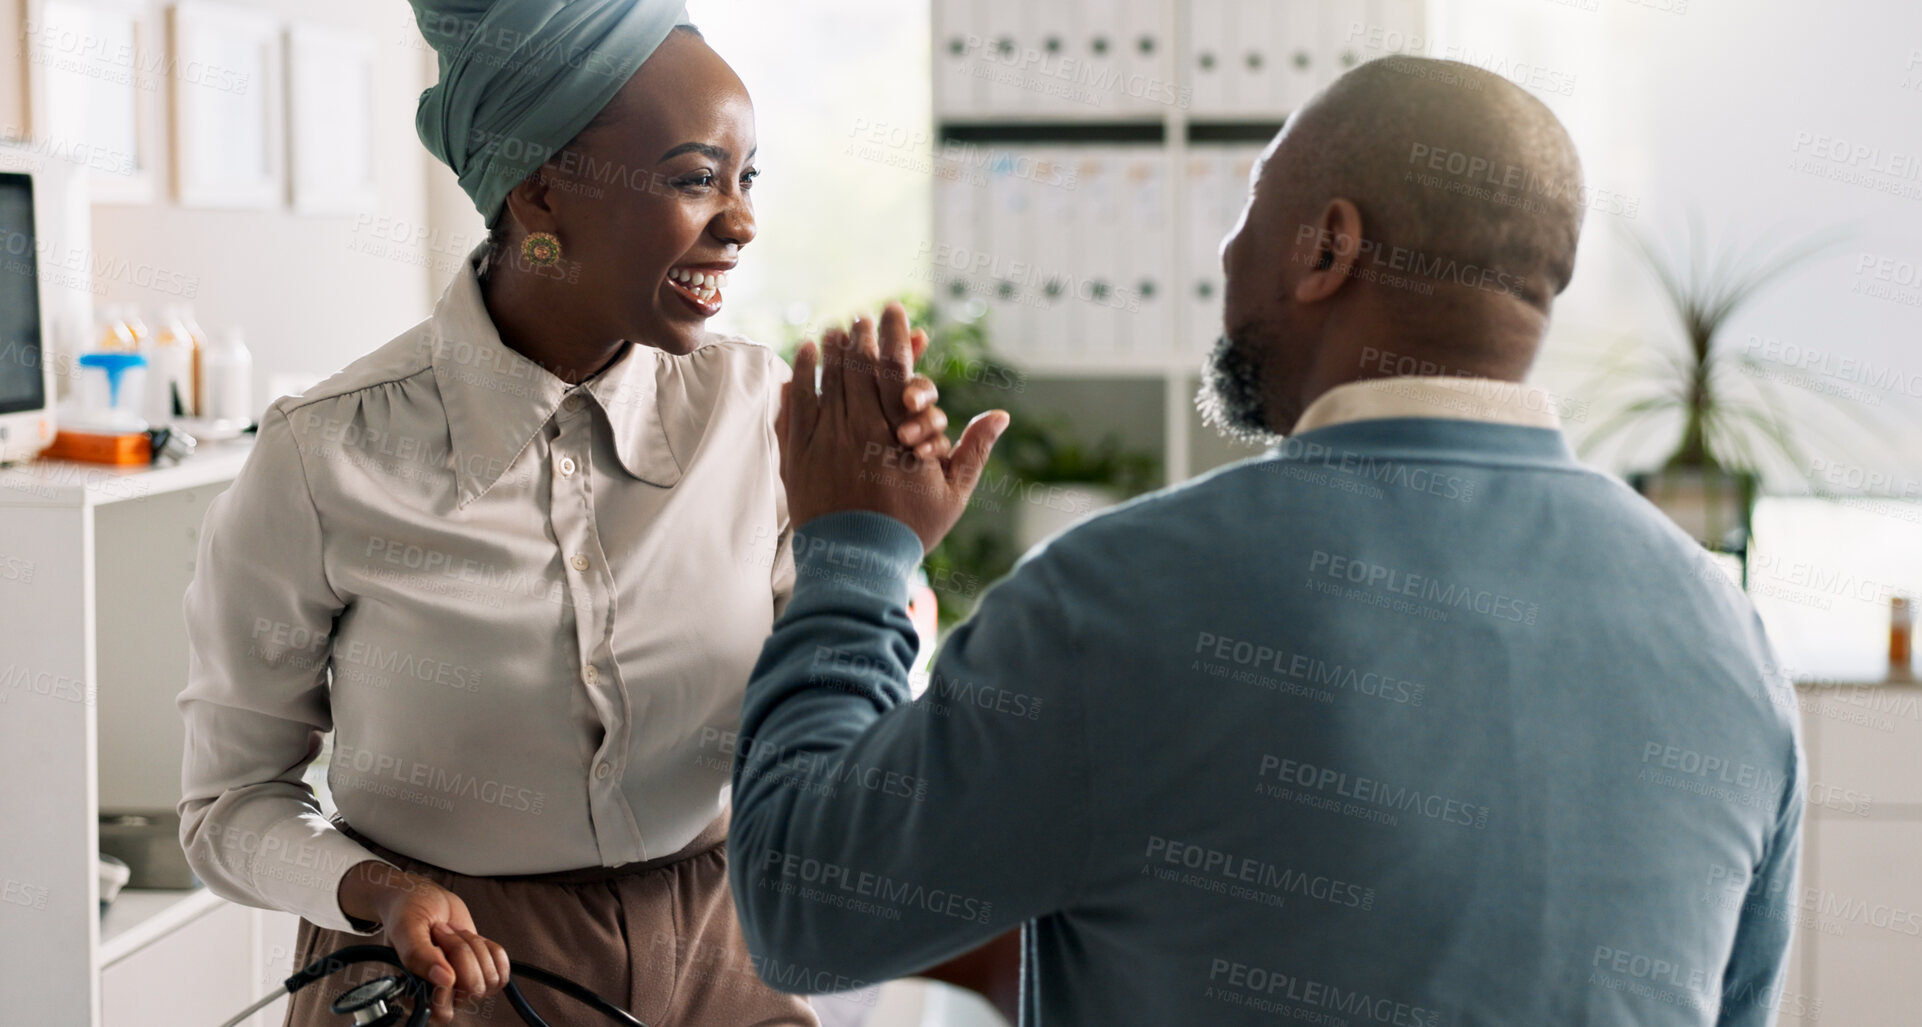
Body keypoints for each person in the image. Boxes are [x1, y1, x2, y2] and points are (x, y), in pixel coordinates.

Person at [728, 55, 1804, 1026]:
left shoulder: (1121, 596)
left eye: (1248, 212)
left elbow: (805, 914)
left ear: (1327, 246)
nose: (1228, 255)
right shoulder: (1730, 641)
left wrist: (857, 552)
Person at [177, 4, 959, 1024]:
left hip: (726, 947)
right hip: (447, 974)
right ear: (543, 191)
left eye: (746, 177)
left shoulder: (762, 416)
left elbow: (849, 707)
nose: (742, 220)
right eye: (693, 178)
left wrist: (880, 545)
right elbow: (228, 804)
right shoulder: (324, 454)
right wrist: (375, 890)